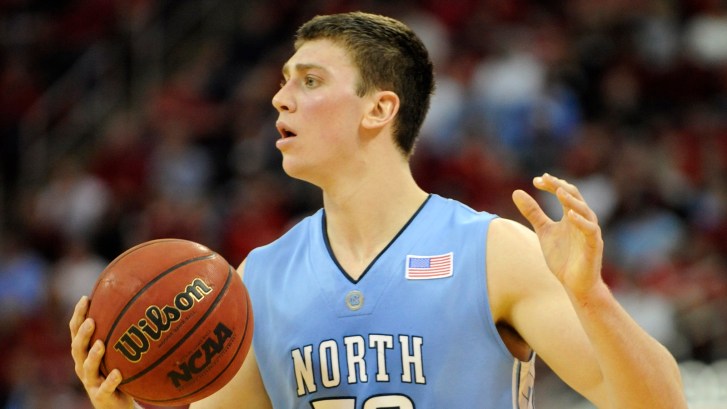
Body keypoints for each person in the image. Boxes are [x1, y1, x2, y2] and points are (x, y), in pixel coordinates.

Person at [70, 11, 688, 409]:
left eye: (310, 80)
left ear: (379, 109)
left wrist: (592, 298)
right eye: (284, 80)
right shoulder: (257, 279)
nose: (280, 97)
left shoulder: (493, 252)